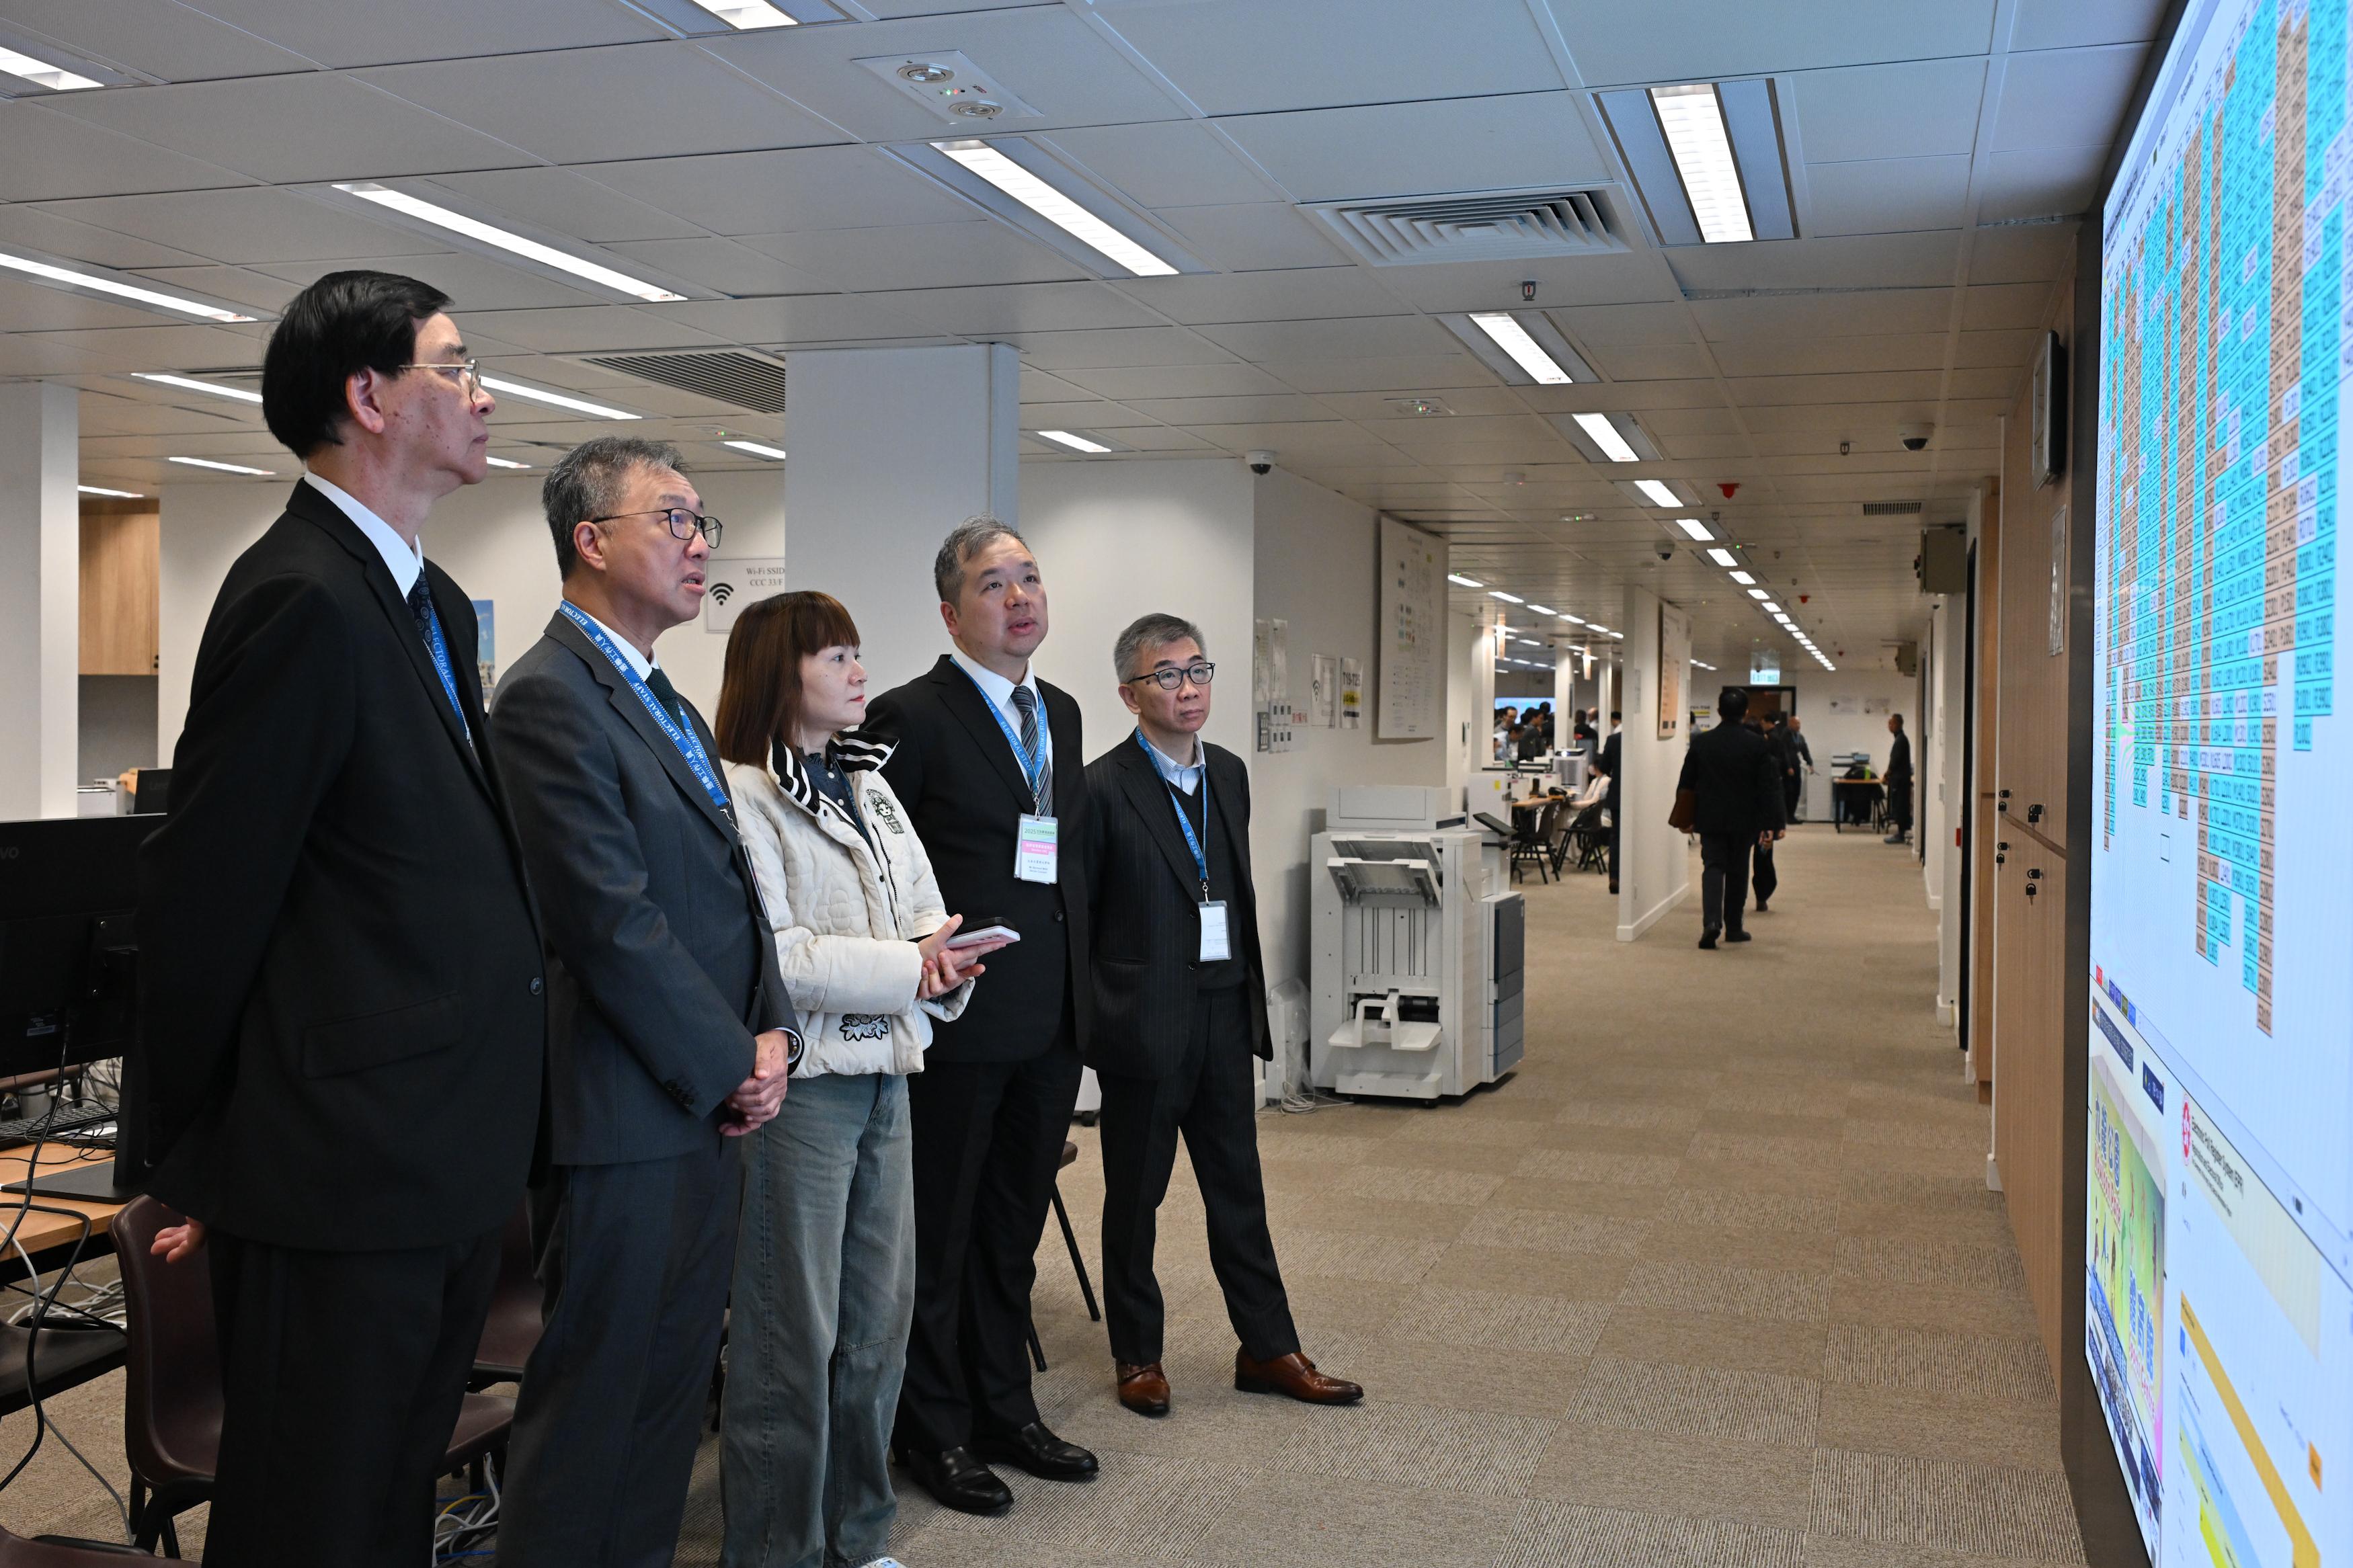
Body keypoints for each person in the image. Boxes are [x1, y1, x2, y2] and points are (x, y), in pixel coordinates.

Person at [129, 272, 545, 1565]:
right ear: (367, 397)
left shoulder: (415, 596)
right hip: (338, 1168)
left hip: (428, 1153)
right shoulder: (303, 593)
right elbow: (213, 892)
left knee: (381, 1505)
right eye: (455, 365)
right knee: (312, 1513)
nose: (484, 395)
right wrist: (179, 1154)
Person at [489, 438, 800, 1568]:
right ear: (591, 539)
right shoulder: (546, 695)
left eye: (703, 519)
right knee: (594, 1405)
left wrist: (770, 1038)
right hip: (621, 1110)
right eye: (673, 518)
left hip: (703, 1103)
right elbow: (609, 921)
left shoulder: (658, 691)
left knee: (668, 1397)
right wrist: (732, 1057)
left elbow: (728, 892)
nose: (700, 541)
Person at [714, 591, 1006, 1568]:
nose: (857, 671)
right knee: (789, 1339)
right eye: (835, 655)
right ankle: (774, 1549)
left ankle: (860, 1535)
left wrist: (941, 958)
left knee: (878, 1330)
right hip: (805, 1091)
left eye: (856, 651)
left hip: (890, 1073)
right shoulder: (740, 792)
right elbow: (781, 957)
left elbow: (925, 910)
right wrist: (909, 965)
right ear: (778, 670)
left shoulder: (867, 783)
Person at [865, 518, 1098, 1516]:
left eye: (1031, 578)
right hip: (957, 1024)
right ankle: (936, 1430)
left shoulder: (1067, 712)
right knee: (943, 1236)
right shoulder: (906, 715)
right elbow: (876, 864)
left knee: (1012, 1232)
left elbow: (1059, 864)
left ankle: (1008, 1408)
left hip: (1050, 1020)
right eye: (995, 584)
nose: (1020, 598)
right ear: (952, 611)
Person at [1083, 614, 1363, 1421]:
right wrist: (1102, 1021)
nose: (1189, 686)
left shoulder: (1230, 774)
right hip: (1144, 1022)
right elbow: (1086, 915)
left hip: (1221, 1008)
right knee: (1135, 1196)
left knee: (1238, 1186)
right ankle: (1138, 1352)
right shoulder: (1100, 788)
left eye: (1197, 668)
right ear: (1130, 694)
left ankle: (1266, 1345)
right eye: (1165, 674)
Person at [1676, 686, 1785, 949]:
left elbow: (1686, 782)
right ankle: (1734, 927)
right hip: (1745, 820)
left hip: (1710, 817)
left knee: (1713, 867)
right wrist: (1772, 824)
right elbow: (1768, 787)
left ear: (1719, 712)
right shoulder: (1757, 744)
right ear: (1746, 712)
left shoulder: (1702, 742)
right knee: (1738, 871)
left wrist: (1685, 817)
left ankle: (1711, 923)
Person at [1597, 710, 1624, 894]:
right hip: (1641, 796)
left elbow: (1604, 767)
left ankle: (1615, 877)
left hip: (1617, 794)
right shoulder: (1644, 741)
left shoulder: (1613, 740)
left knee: (1617, 837)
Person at [1884, 713, 1914, 845]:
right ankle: (1901, 832)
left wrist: (1886, 774)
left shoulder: (1901, 740)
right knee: (1899, 806)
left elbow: (1894, 761)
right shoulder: (1900, 739)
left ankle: (1901, 834)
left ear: (1898, 724)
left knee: (1901, 807)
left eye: (1891, 723)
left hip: (1901, 781)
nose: (1889, 726)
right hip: (1900, 780)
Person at [1785, 714, 1813, 821]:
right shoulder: (1785, 735)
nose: (1798, 725)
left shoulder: (1799, 736)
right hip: (1788, 769)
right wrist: (1788, 767)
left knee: (1797, 791)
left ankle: (1792, 815)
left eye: (1799, 723)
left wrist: (1810, 763)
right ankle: (1787, 815)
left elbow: (1805, 750)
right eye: (1796, 723)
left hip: (1796, 766)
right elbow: (1785, 753)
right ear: (1790, 724)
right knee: (1789, 792)